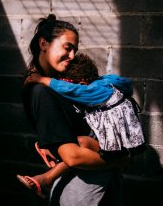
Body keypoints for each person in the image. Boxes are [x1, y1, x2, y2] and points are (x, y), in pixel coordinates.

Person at [17, 13, 130, 206]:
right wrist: (119, 161)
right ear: (44, 44)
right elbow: (73, 156)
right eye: (67, 48)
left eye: (74, 50)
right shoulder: (41, 92)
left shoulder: (62, 83)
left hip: (101, 182)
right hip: (81, 187)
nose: (72, 56)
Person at [17, 53, 145, 198]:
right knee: (82, 143)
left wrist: (42, 79)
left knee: (81, 143)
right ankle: (47, 176)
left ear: (82, 83)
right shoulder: (105, 84)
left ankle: (47, 176)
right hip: (117, 145)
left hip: (118, 145)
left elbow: (73, 90)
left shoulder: (96, 90)